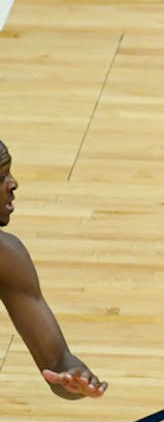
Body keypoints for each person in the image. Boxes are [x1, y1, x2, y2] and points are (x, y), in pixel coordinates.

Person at [0, 139, 107, 399]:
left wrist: (74, 376)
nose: (13, 183)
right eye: (1, 176)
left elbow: (56, 360)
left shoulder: (6, 258)